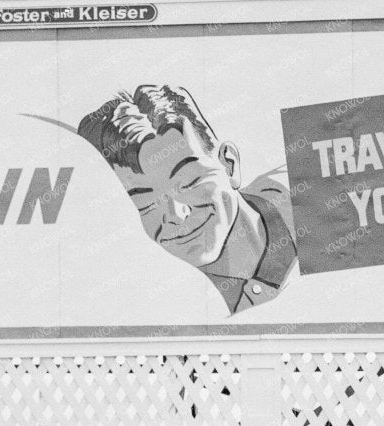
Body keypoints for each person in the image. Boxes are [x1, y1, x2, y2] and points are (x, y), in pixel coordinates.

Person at [76, 84, 298, 314]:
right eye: (145, 203)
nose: (175, 214)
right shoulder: (145, 299)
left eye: (189, 182)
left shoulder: (313, 196)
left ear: (229, 165)